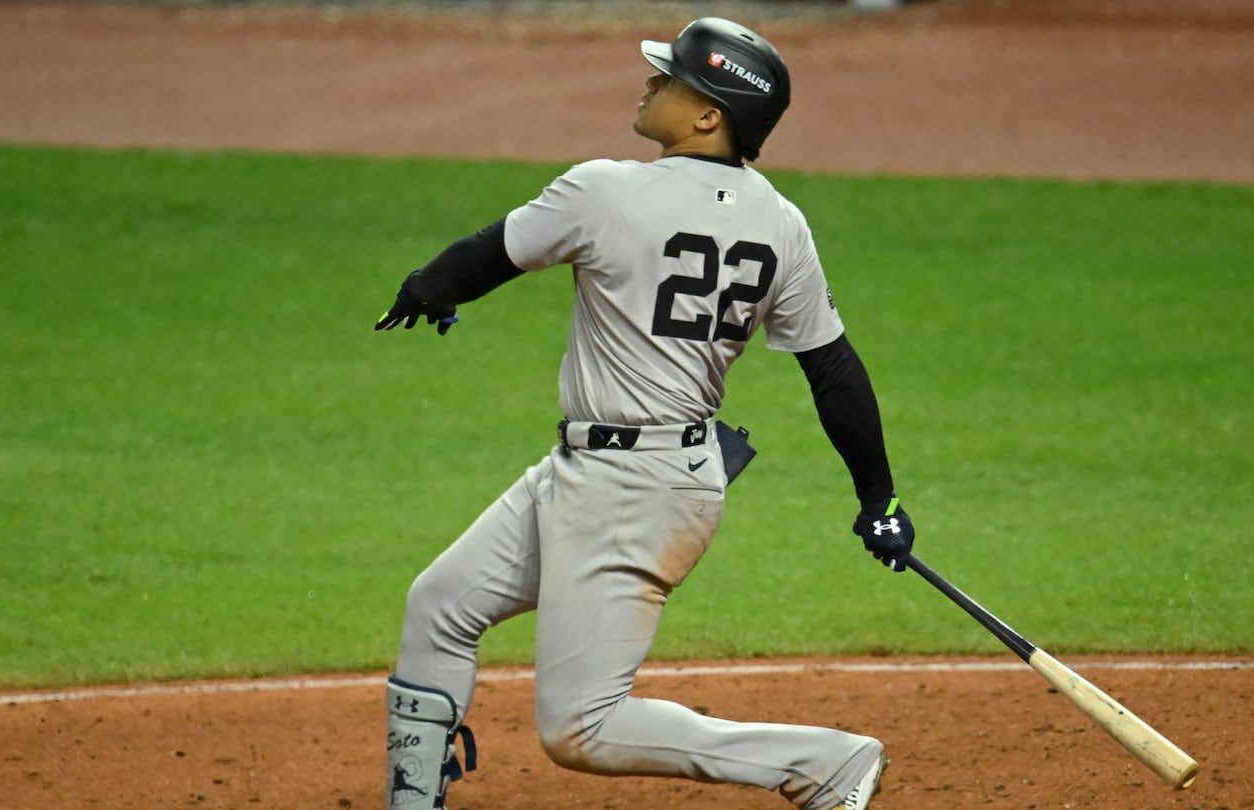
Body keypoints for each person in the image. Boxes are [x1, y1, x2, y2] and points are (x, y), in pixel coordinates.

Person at [373, 17, 914, 810]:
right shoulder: (781, 223)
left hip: (629, 493)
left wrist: (426, 288)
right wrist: (879, 499)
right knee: (440, 605)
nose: (650, 83)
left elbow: (488, 254)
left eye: (671, 78)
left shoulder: (607, 189)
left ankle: (826, 764)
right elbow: (833, 371)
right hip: (631, 475)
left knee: (580, 728)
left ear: (709, 116)